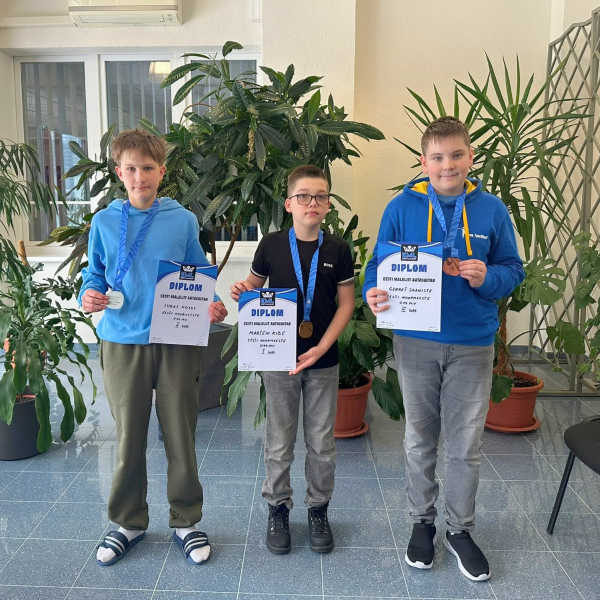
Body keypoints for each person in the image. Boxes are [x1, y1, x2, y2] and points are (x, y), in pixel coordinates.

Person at [363, 117, 525, 581]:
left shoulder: (492, 209)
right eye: (437, 157)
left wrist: (487, 277)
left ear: (470, 157)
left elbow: (513, 269)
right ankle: (422, 522)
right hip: (416, 341)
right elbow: (378, 266)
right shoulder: (401, 207)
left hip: (472, 342)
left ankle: (460, 530)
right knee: (418, 438)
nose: (447, 165)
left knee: (465, 444)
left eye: (456, 155)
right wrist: (374, 291)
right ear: (423, 161)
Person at [79, 128, 228, 567]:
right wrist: (89, 294)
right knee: (129, 436)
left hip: (175, 339)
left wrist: (212, 302)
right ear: (119, 172)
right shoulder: (104, 222)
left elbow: (197, 270)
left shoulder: (181, 221)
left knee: (180, 431)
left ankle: (186, 520)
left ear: (162, 172)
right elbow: (94, 274)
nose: (139, 176)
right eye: (131, 168)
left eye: (148, 168)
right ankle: (128, 522)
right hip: (123, 340)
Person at [230, 165, 355, 554]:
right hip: (278, 359)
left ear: (328, 204)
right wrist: (242, 290)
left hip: (323, 360)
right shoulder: (271, 245)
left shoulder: (338, 249)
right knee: (279, 440)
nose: (311, 202)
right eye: (303, 196)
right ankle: (278, 509)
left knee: (321, 443)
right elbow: (253, 287)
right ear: (289, 204)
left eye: (320, 196)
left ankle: (318, 509)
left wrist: (322, 346)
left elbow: (346, 305)